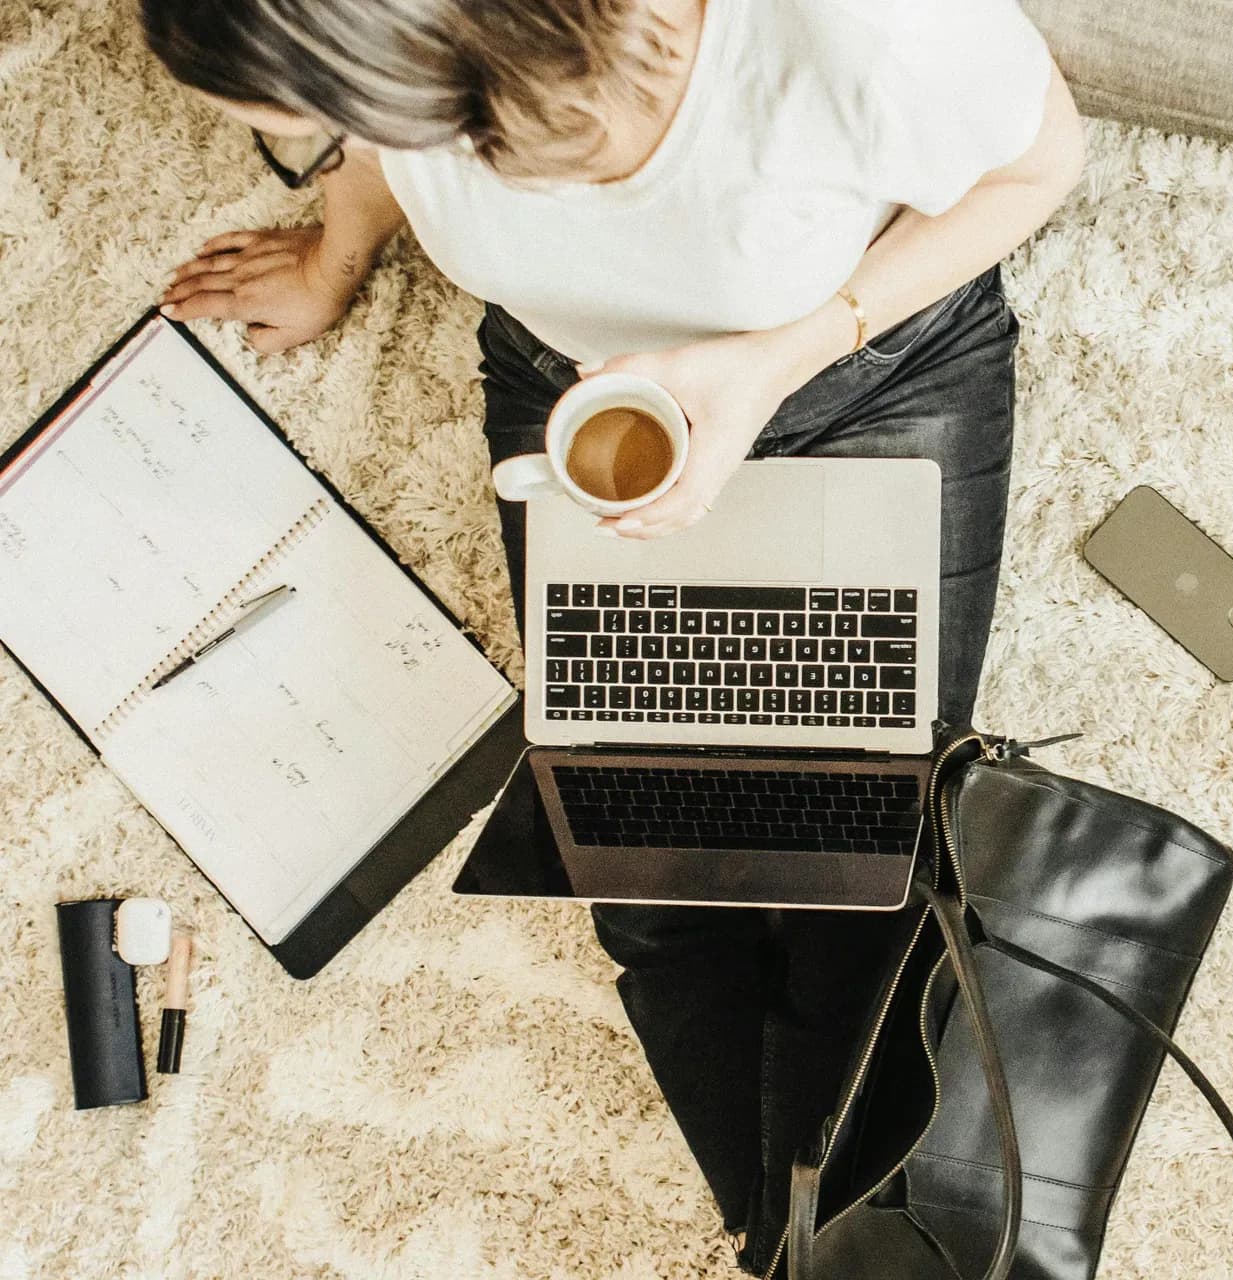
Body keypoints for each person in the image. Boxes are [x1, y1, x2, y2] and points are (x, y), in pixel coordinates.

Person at [142, 0, 1083, 1265]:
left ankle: (806, 1254)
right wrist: (335, 252)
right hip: (579, 385)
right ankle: (808, 1252)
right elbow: (385, 128)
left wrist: (781, 355)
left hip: (869, 366)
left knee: (869, 873)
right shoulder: (409, 73)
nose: (331, 141)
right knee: (647, 889)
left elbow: (1045, 161)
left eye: (321, 116)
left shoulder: (859, 31)